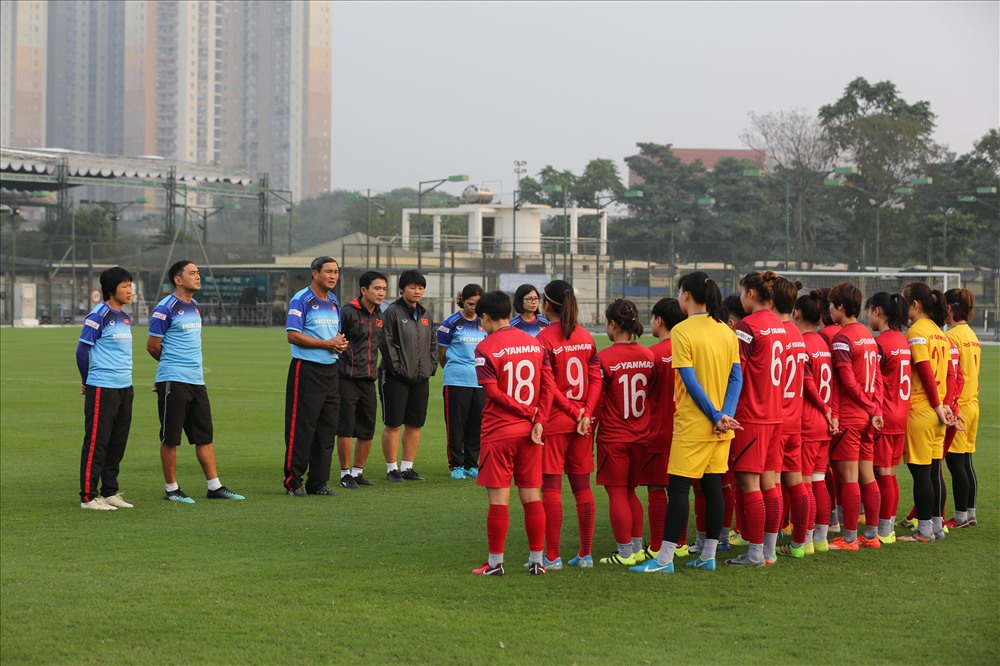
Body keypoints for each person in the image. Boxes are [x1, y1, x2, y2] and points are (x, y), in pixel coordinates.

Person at [631, 272, 742, 574]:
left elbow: (689, 380)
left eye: (679, 291)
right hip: (720, 427)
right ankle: (708, 555)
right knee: (712, 486)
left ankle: (664, 559)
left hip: (694, 425)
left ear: (687, 296)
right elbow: (736, 377)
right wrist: (724, 414)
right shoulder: (726, 331)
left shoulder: (682, 331)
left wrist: (715, 415)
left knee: (678, 490)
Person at [471, 290, 554, 576]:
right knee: (532, 496)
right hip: (531, 433)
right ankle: (537, 561)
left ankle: (495, 564)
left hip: (500, 431)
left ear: (484, 316)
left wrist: (527, 412)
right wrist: (539, 419)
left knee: (498, 500)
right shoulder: (534, 343)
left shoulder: (485, 348)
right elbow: (548, 388)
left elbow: (492, 392)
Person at [147, 260, 244, 503]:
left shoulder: (196, 305)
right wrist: (169, 369)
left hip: (196, 381)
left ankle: (214, 486)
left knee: (204, 435)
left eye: (198, 273)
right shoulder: (165, 307)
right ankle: (172, 490)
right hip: (174, 381)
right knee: (170, 437)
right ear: (178, 280)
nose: (198, 277)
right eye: (192, 273)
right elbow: (152, 346)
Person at [534, 279, 602, 569]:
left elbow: (548, 386)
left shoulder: (543, 339)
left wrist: (574, 412)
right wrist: (585, 413)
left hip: (556, 423)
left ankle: (552, 556)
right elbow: (597, 377)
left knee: (550, 489)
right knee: (582, 489)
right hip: (583, 425)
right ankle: (585, 554)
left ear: (546, 304)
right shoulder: (587, 336)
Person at [726, 271, 786, 568]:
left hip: (751, 416)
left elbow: (737, 372)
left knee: (749, 484)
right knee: (770, 484)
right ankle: (770, 552)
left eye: (741, 292)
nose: (740, 298)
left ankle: (754, 554)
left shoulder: (747, 326)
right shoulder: (780, 325)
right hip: (776, 416)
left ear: (750, 293)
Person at [594, 299, 656, 566]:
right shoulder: (648, 355)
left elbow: (597, 400)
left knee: (618, 493)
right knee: (631, 492)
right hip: (641, 435)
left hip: (614, 436)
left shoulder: (603, 359)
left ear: (613, 324)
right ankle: (635, 549)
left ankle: (624, 553)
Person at [283, 257, 348, 497]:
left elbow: (335, 335)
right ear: (315, 273)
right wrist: (326, 343)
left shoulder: (332, 301)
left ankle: (318, 483)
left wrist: (339, 343)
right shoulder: (302, 299)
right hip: (306, 369)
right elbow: (292, 335)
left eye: (336, 272)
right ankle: (293, 482)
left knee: (327, 428)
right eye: (328, 271)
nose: (333, 276)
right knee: (302, 426)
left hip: (331, 370)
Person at [827, 281, 883, 551]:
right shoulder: (868, 336)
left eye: (831, 304)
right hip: (868, 417)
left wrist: (868, 406)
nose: (829, 309)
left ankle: (849, 538)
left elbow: (848, 383)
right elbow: (879, 380)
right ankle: (870, 535)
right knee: (867, 475)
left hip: (851, 417)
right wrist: (876, 408)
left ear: (839, 307)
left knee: (849, 478)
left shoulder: (842, 338)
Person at [898, 282, 955, 543]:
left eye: (905, 300)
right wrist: (944, 406)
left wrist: (934, 404)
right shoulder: (940, 333)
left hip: (923, 410)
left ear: (915, 304)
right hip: (938, 412)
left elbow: (925, 372)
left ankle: (923, 531)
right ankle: (935, 526)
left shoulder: (915, 332)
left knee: (922, 474)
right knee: (933, 472)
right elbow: (948, 374)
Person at [77, 266, 136, 510]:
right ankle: (88, 497)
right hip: (103, 387)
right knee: (97, 442)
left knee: (117, 442)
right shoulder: (99, 315)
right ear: (111, 290)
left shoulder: (124, 317)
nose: (130, 290)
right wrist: (86, 379)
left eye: (130, 285)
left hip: (125, 387)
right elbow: (82, 350)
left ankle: (110, 491)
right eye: (124, 286)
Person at [379, 270, 437, 482]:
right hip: (396, 377)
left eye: (420, 287)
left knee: (415, 423)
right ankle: (391, 468)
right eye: (412, 287)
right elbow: (385, 342)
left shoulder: (425, 313)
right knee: (394, 423)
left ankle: (407, 467)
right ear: (402, 289)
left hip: (420, 378)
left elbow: (433, 343)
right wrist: (397, 369)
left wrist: (430, 367)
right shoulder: (392, 312)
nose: (417, 291)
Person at [641, 298, 687, 561]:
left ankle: (658, 545)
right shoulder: (691, 349)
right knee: (680, 489)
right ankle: (680, 542)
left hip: (659, 430)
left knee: (657, 488)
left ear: (659, 320)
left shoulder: (654, 354)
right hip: (686, 429)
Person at [792, 291, 837, 552]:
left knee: (805, 483)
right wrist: (831, 412)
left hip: (809, 420)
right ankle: (820, 539)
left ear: (796, 313)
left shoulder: (803, 343)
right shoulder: (822, 342)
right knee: (818, 480)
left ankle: (805, 541)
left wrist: (823, 408)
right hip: (823, 421)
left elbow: (808, 384)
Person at [865, 292, 911, 543]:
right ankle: (888, 526)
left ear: (878, 312)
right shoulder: (902, 341)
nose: (868, 316)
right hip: (901, 414)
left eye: (869, 310)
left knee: (882, 474)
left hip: (886, 414)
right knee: (890, 473)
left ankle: (884, 531)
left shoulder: (881, 343)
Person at [335, 271, 387, 489]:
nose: (381, 293)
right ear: (363, 290)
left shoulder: (380, 316)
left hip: (368, 379)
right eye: (377, 288)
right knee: (346, 427)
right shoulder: (347, 312)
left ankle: (358, 472)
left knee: (367, 428)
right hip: (346, 378)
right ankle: (345, 473)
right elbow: (335, 339)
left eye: (384, 289)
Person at [437, 284, 487, 479]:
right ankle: (456, 465)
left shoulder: (484, 322)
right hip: (456, 380)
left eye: (477, 304)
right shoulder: (451, 323)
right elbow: (442, 354)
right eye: (470, 303)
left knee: (477, 424)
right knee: (456, 425)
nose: (473, 308)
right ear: (462, 300)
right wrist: (454, 370)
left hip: (480, 381)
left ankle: (471, 464)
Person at [943, 288, 980, 528]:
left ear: (950, 309)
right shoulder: (972, 335)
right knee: (966, 461)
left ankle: (960, 516)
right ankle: (970, 512)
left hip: (961, 406)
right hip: (973, 404)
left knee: (956, 464)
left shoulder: (953, 337)